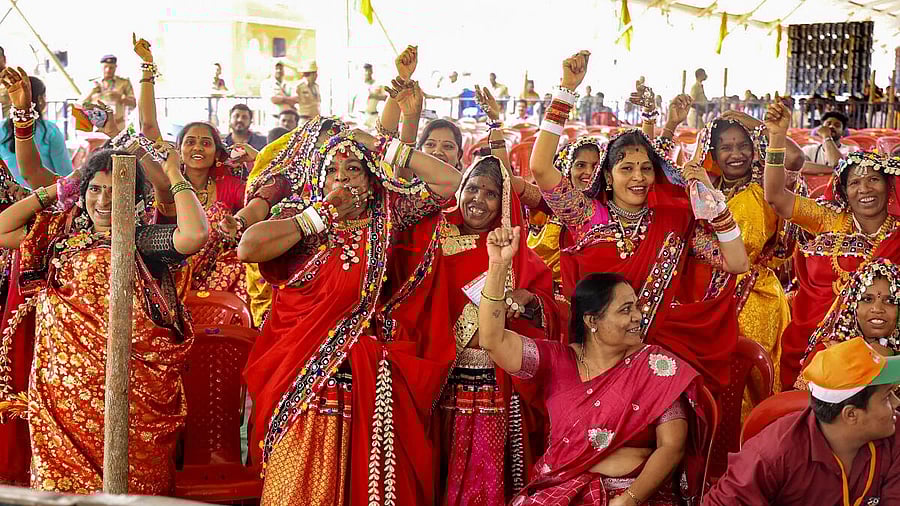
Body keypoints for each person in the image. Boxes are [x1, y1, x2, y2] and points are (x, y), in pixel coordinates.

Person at [238, 125, 461, 504]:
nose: (341, 180)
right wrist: (322, 214)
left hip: (358, 369)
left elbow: (450, 181)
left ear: (371, 177)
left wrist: (381, 145)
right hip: (296, 367)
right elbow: (249, 247)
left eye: (353, 170)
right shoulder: (301, 216)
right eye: (331, 172)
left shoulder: (386, 214)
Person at [531, 51, 749, 392]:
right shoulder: (586, 215)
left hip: (654, 361)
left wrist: (715, 207)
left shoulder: (674, 222)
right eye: (627, 168)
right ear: (607, 174)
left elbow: (737, 262)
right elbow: (541, 169)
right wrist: (566, 92)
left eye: (646, 168)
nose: (638, 177)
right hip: (593, 364)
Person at [0, 142, 210, 494]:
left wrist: (174, 173)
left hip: (130, 395)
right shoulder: (61, 239)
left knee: (130, 487)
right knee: (60, 492)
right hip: (62, 397)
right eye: (94, 189)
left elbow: (195, 235)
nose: (104, 200)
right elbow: (2, 229)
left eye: (116, 191)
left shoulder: (142, 241)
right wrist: (60, 188)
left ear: (137, 200)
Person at [477, 226, 709, 505]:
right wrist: (498, 265)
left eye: (636, 307)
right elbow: (493, 340)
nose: (638, 317)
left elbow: (672, 446)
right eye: (625, 310)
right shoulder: (557, 362)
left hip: (636, 494)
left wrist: (629, 499)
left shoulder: (655, 366)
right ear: (592, 321)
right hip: (563, 490)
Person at [388, 154, 560, 505]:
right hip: (438, 381)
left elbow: (551, 308)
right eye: (472, 188)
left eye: (491, 192)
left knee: (489, 478)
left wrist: (527, 300)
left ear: (504, 202)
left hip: (496, 387)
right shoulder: (433, 242)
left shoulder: (517, 253)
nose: (478, 200)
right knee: (436, 473)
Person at [762, 101, 900, 389]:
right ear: (843, 191)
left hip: (887, 347)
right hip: (817, 346)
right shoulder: (830, 219)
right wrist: (777, 138)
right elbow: (775, 195)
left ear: (888, 186)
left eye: (873, 180)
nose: (864, 189)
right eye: (855, 183)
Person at [690, 113, 803, 411]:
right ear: (712, 153)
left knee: (750, 385)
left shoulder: (764, 188)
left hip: (755, 299)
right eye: (726, 147)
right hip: (711, 297)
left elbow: (793, 158)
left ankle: (749, 451)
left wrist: (756, 124)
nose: (736, 154)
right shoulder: (707, 187)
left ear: (754, 149)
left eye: (743, 145)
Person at [703, 337, 900, 505]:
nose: (897, 402)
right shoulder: (772, 454)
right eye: (887, 396)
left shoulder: (895, 435)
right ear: (851, 414)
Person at [134, 35, 248, 301]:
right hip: (171, 275)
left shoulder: (230, 186)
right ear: (179, 150)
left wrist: (237, 227)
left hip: (220, 279)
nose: (197, 148)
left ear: (217, 153)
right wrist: (147, 69)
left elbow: (257, 212)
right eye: (190, 142)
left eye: (206, 143)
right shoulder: (166, 181)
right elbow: (148, 128)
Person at [799, 259, 900, 374]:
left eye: (890, 301)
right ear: (851, 306)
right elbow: (806, 392)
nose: (877, 309)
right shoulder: (825, 354)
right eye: (867, 299)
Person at [0, 72, 72, 187]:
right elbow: (66, 176)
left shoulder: (1, 129)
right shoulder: (50, 130)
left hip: (14, 199)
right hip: (42, 197)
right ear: (40, 99)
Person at [81, 55, 135, 135]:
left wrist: (120, 97)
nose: (108, 70)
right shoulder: (93, 83)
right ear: (100, 67)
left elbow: (133, 103)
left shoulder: (124, 82)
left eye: (111, 67)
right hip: (97, 128)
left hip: (118, 127)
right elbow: (82, 105)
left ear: (116, 67)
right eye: (105, 67)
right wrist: (92, 92)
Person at [354, 63, 387, 128]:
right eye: (366, 71)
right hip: (360, 116)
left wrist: (374, 96)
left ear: (372, 71)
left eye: (369, 70)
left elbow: (385, 98)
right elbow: (354, 101)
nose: (367, 73)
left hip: (373, 116)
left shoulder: (378, 85)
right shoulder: (358, 85)